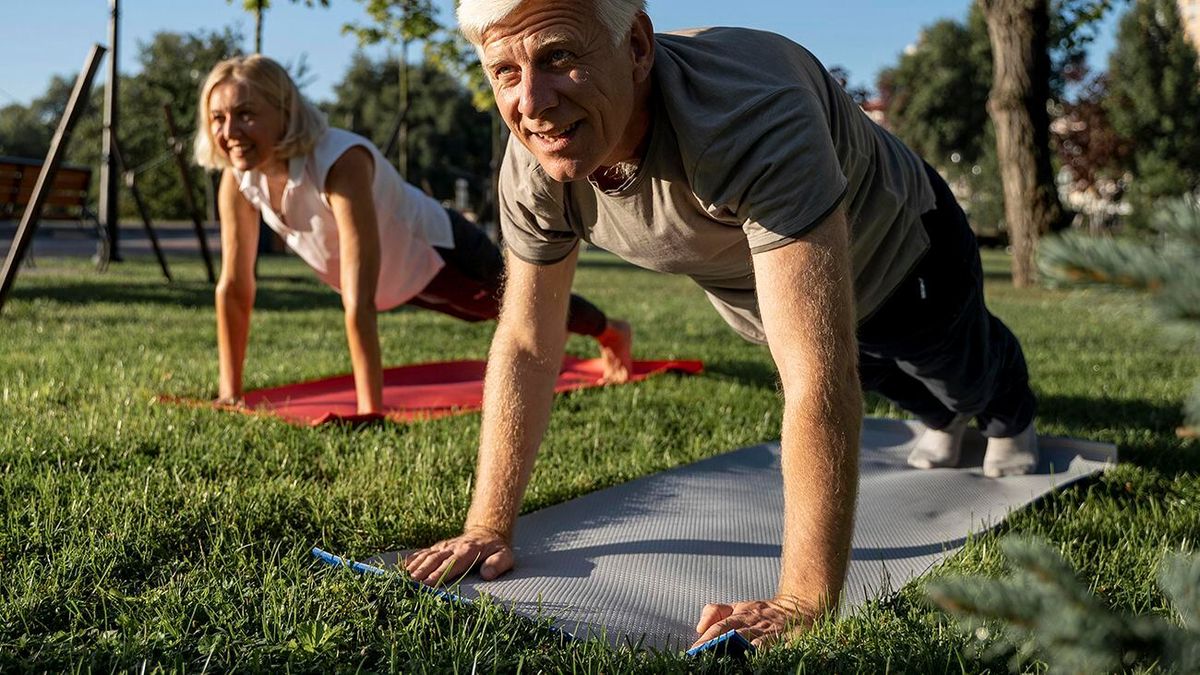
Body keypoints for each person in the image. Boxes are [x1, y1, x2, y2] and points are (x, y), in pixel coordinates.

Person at [403, 0, 1040, 649]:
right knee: (881, 376)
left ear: (638, 47)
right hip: (766, 294)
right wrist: (486, 524)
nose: (532, 102)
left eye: (560, 56)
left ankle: (1008, 416)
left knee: (953, 365)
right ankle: (939, 417)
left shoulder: (750, 112)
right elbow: (529, 343)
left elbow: (815, 374)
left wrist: (802, 597)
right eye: (504, 71)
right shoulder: (533, 166)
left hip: (906, 253)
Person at [193, 55, 632, 414]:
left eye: (246, 115)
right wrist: (230, 393)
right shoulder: (239, 181)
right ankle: (604, 328)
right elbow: (234, 286)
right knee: (498, 311)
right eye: (218, 118)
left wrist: (371, 410)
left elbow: (358, 295)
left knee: (517, 307)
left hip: (441, 252)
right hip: (396, 277)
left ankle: (610, 330)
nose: (229, 132)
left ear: (285, 112)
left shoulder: (339, 162)